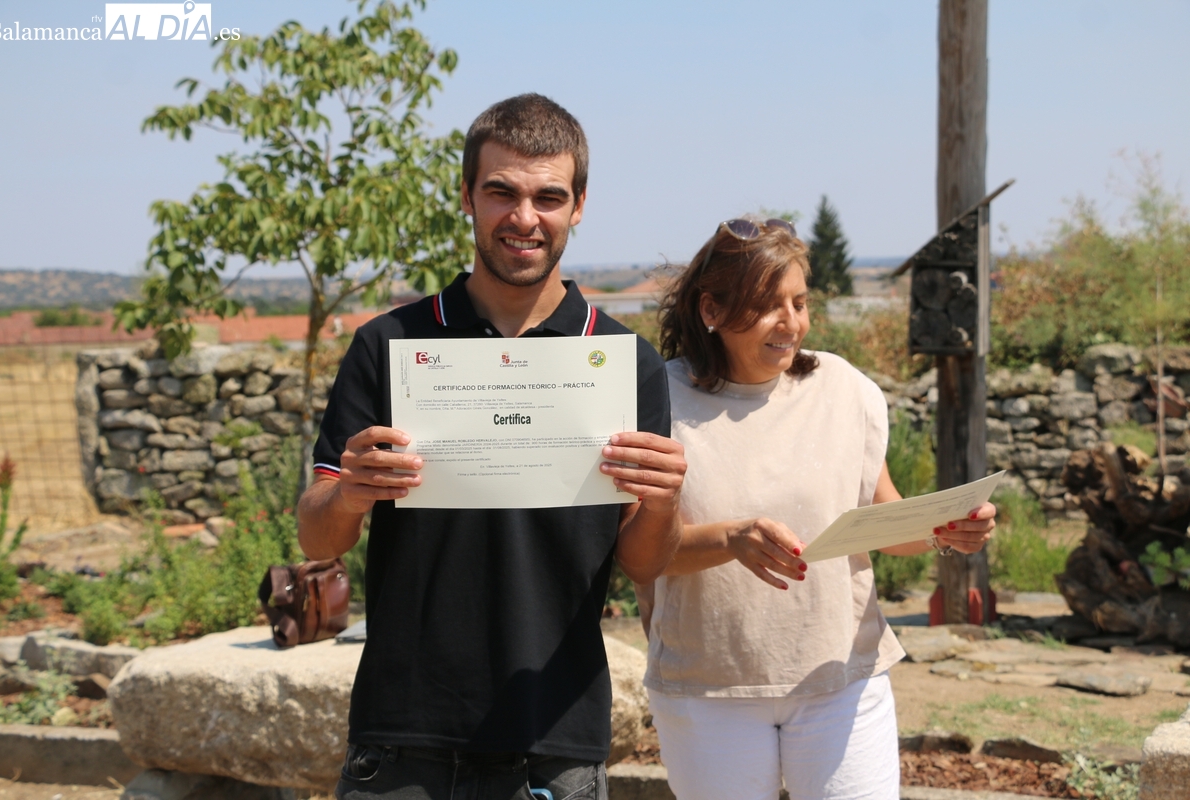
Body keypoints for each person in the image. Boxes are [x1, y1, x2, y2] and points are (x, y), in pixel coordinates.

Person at [297, 94, 687, 800]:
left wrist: (663, 503)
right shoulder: (389, 346)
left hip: (554, 739)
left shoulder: (626, 363)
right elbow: (316, 535)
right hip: (402, 736)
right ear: (466, 197)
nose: (524, 217)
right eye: (502, 192)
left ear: (579, 206)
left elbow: (644, 562)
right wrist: (349, 494)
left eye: (549, 197)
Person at [641, 217, 996, 800]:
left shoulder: (844, 389)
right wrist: (730, 540)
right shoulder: (657, 399)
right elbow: (644, 556)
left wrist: (943, 529)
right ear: (711, 310)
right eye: (768, 305)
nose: (791, 322)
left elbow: (883, 520)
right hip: (708, 689)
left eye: (800, 303)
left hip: (841, 678)